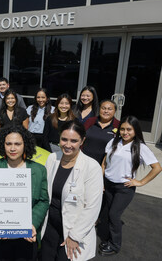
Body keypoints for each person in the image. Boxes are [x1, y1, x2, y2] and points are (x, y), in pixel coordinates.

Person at [98, 116, 162, 256]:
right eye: (122, 129)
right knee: (108, 214)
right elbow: (104, 163)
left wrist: (140, 182)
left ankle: (115, 245)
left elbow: (157, 167)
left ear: (135, 130)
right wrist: (101, 180)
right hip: (108, 184)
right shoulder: (113, 142)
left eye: (129, 129)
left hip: (124, 188)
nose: (125, 132)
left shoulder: (140, 147)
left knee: (114, 215)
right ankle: (109, 240)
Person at [41, 120, 103, 261]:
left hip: (73, 231)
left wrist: (75, 236)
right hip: (50, 228)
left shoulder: (92, 167)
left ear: (82, 141)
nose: (68, 145)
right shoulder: (52, 158)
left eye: (74, 141)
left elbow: (92, 207)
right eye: (64, 139)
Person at [0, 125, 49, 261]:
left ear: (25, 145)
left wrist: (32, 224)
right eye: (8, 144)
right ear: (2, 145)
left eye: (17, 144)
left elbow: (43, 201)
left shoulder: (38, 170)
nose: (13, 148)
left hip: (26, 236)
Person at [82, 99, 120, 165]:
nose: (106, 111)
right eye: (103, 108)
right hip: (84, 160)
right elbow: (80, 137)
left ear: (115, 111)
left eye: (109, 109)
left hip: (103, 164)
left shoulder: (118, 126)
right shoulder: (90, 121)